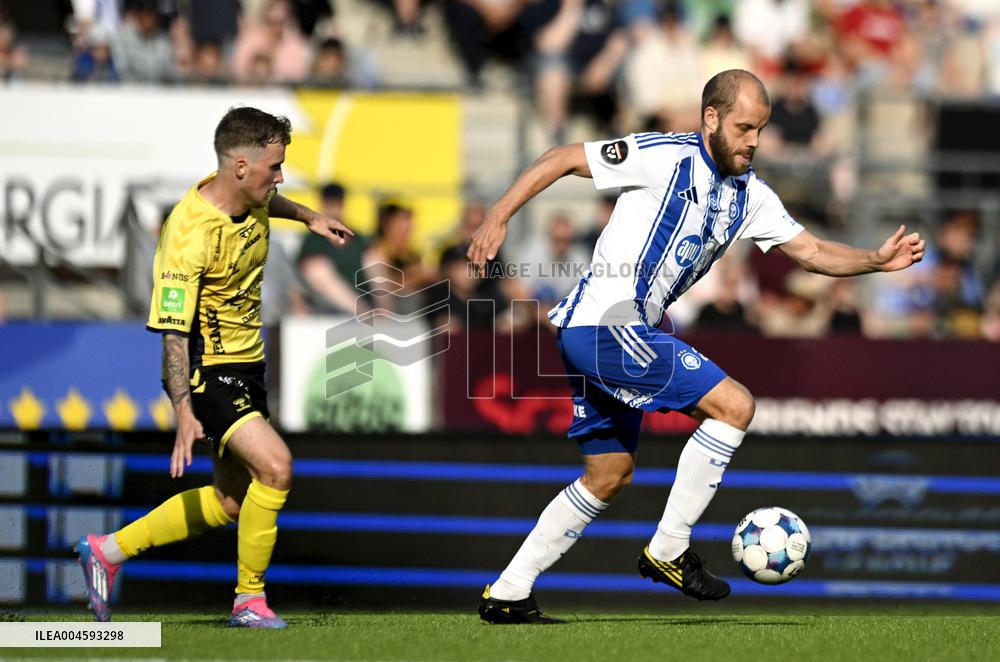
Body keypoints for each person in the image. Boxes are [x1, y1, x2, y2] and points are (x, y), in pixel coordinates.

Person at [467, 69, 925, 624]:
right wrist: (497, 217)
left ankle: (509, 591)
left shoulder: (751, 196)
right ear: (711, 118)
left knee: (608, 473)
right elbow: (563, 157)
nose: (754, 140)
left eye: (760, 129)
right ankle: (668, 549)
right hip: (607, 326)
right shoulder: (663, 155)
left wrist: (875, 262)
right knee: (735, 405)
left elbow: (813, 252)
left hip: (607, 333)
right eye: (744, 127)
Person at [74, 107, 353, 628]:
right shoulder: (188, 234)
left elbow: (275, 201)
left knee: (229, 501)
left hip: (249, 365)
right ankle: (249, 601)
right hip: (206, 370)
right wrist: (183, 408)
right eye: (274, 166)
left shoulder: (255, 196)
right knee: (276, 467)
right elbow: (174, 336)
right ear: (241, 166)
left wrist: (310, 217)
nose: (281, 176)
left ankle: (107, 551)